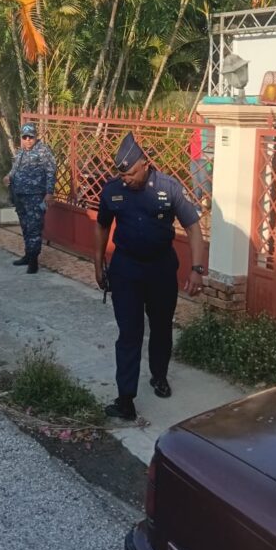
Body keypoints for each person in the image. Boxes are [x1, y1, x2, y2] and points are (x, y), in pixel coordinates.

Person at [94, 132, 206, 421]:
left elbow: (193, 227)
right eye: (122, 174)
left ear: (145, 164)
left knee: (161, 327)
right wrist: (97, 263)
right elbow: (102, 226)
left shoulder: (168, 188)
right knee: (129, 333)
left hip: (160, 268)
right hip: (126, 270)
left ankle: (159, 376)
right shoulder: (112, 191)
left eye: (131, 173)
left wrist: (196, 269)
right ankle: (125, 398)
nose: (126, 179)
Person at [3, 122, 56, 274]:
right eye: (25, 137)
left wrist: (49, 192)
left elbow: (51, 172)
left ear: (35, 137)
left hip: (35, 196)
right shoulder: (21, 152)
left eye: (30, 137)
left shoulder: (43, 151)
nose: (27, 140)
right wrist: (9, 176)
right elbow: (15, 169)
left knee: (34, 228)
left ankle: (34, 261)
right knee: (25, 226)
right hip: (19, 195)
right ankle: (28, 254)